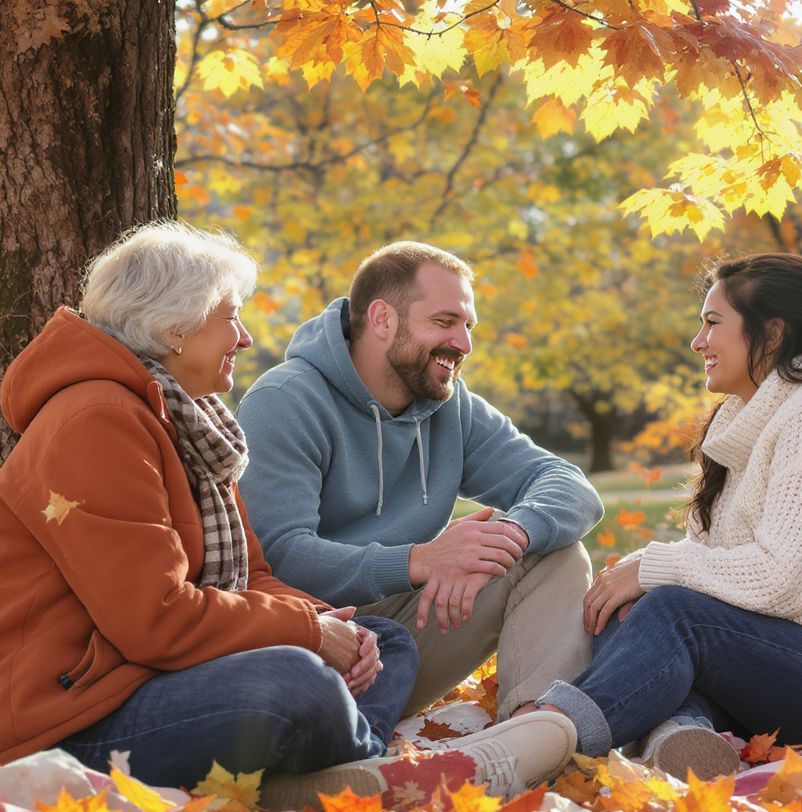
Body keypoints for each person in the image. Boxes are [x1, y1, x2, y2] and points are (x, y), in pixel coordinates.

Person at [0, 221, 577, 809]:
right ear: (175, 328)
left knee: (381, 643)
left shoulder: (190, 424)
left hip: (152, 675)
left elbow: (253, 573)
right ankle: (370, 774)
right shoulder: (97, 422)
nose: (245, 338)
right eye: (231, 317)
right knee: (293, 679)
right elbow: (155, 618)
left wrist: (331, 626)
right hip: (65, 717)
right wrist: (311, 633)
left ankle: (335, 778)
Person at [527, 253, 802, 780]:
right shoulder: (749, 416)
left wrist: (654, 569)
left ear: (772, 333)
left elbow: (780, 580)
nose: (698, 342)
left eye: (713, 323)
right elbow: (717, 570)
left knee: (674, 612)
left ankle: (539, 742)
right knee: (627, 607)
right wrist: (637, 576)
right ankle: (680, 735)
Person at [237, 242, 604, 721]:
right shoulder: (285, 400)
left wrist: (507, 536)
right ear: (383, 319)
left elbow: (567, 484)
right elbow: (278, 558)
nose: (464, 344)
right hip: (313, 642)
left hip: (406, 628)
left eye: (468, 326)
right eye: (445, 322)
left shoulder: (448, 406)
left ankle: (535, 726)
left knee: (552, 552)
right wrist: (421, 560)